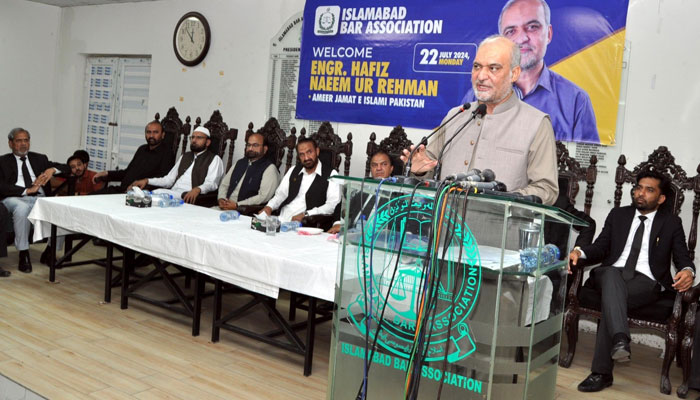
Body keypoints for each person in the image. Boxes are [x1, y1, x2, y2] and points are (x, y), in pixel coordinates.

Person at [569, 169, 695, 392]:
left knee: (612, 299)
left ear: (661, 198)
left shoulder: (671, 222)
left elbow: (683, 256)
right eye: (638, 188)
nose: (640, 193)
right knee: (610, 276)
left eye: (649, 190)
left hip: (646, 282)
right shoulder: (618, 215)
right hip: (610, 273)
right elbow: (600, 247)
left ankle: (602, 372)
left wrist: (687, 271)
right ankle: (619, 339)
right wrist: (580, 252)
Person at [402, 35, 559, 205]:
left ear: (514, 74)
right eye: (477, 67)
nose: (481, 76)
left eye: (493, 68)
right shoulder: (456, 116)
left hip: (498, 227)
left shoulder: (536, 123)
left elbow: (546, 189)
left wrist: (503, 200)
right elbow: (429, 169)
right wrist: (419, 171)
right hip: (444, 226)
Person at [461, 0, 599, 143]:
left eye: (532, 27)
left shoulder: (576, 101)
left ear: (549, 34)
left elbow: (584, 163)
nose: (521, 38)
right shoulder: (475, 96)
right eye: (511, 31)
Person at [0, 127, 70, 272]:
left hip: (40, 197)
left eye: (26, 140)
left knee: (61, 208)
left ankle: (50, 251)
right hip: (14, 198)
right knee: (22, 208)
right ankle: (23, 253)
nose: (23, 144)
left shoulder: (40, 158)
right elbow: (2, 186)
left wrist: (52, 170)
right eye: (19, 141)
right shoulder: (3, 161)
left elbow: (66, 167)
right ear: (10, 143)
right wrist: (26, 190)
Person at [130, 126, 224, 204]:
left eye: (199, 138)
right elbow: (168, 180)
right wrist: (147, 181)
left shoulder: (215, 159)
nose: (194, 140)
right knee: (147, 194)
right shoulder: (185, 156)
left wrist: (198, 189)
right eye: (193, 137)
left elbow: (212, 183)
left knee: (151, 199)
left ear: (207, 142)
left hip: (188, 196)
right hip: (173, 193)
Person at [261, 137, 340, 223]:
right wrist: (269, 207)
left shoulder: (332, 174)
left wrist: (307, 214)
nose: (306, 158)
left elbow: (333, 205)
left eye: (309, 152)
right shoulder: (294, 170)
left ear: (317, 151)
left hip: (305, 224)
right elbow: (280, 194)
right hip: (280, 219)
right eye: (302, 154)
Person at [92, 120, 175, 193]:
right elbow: (126, 173)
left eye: (155, 132)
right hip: (121, 190)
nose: (151, 136)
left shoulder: (167, 153)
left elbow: (162, 181)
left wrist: (136, 188)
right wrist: (106, 173)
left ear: (163, 135)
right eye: (148, 132)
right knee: (89, 198)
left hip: (139, 195)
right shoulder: (142, 149)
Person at [327, 150, 395, 234]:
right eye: (374, 165)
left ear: (391, 168)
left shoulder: (398, 192)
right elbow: (341, 206)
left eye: (384, 164)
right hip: (353, 235)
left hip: (381, 238)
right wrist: (338, 223)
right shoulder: (363, 186)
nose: (378, 168)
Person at [217, 132, 279, 211]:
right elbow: (224, 184)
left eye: (255, 145)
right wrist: (221, 198)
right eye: (248, 145)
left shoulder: (270, 168)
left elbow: (263, 197)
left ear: (265, 149)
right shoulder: (240, 163)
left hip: (244, 212)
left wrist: (237, 205)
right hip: (225, 206)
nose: (250, 148)